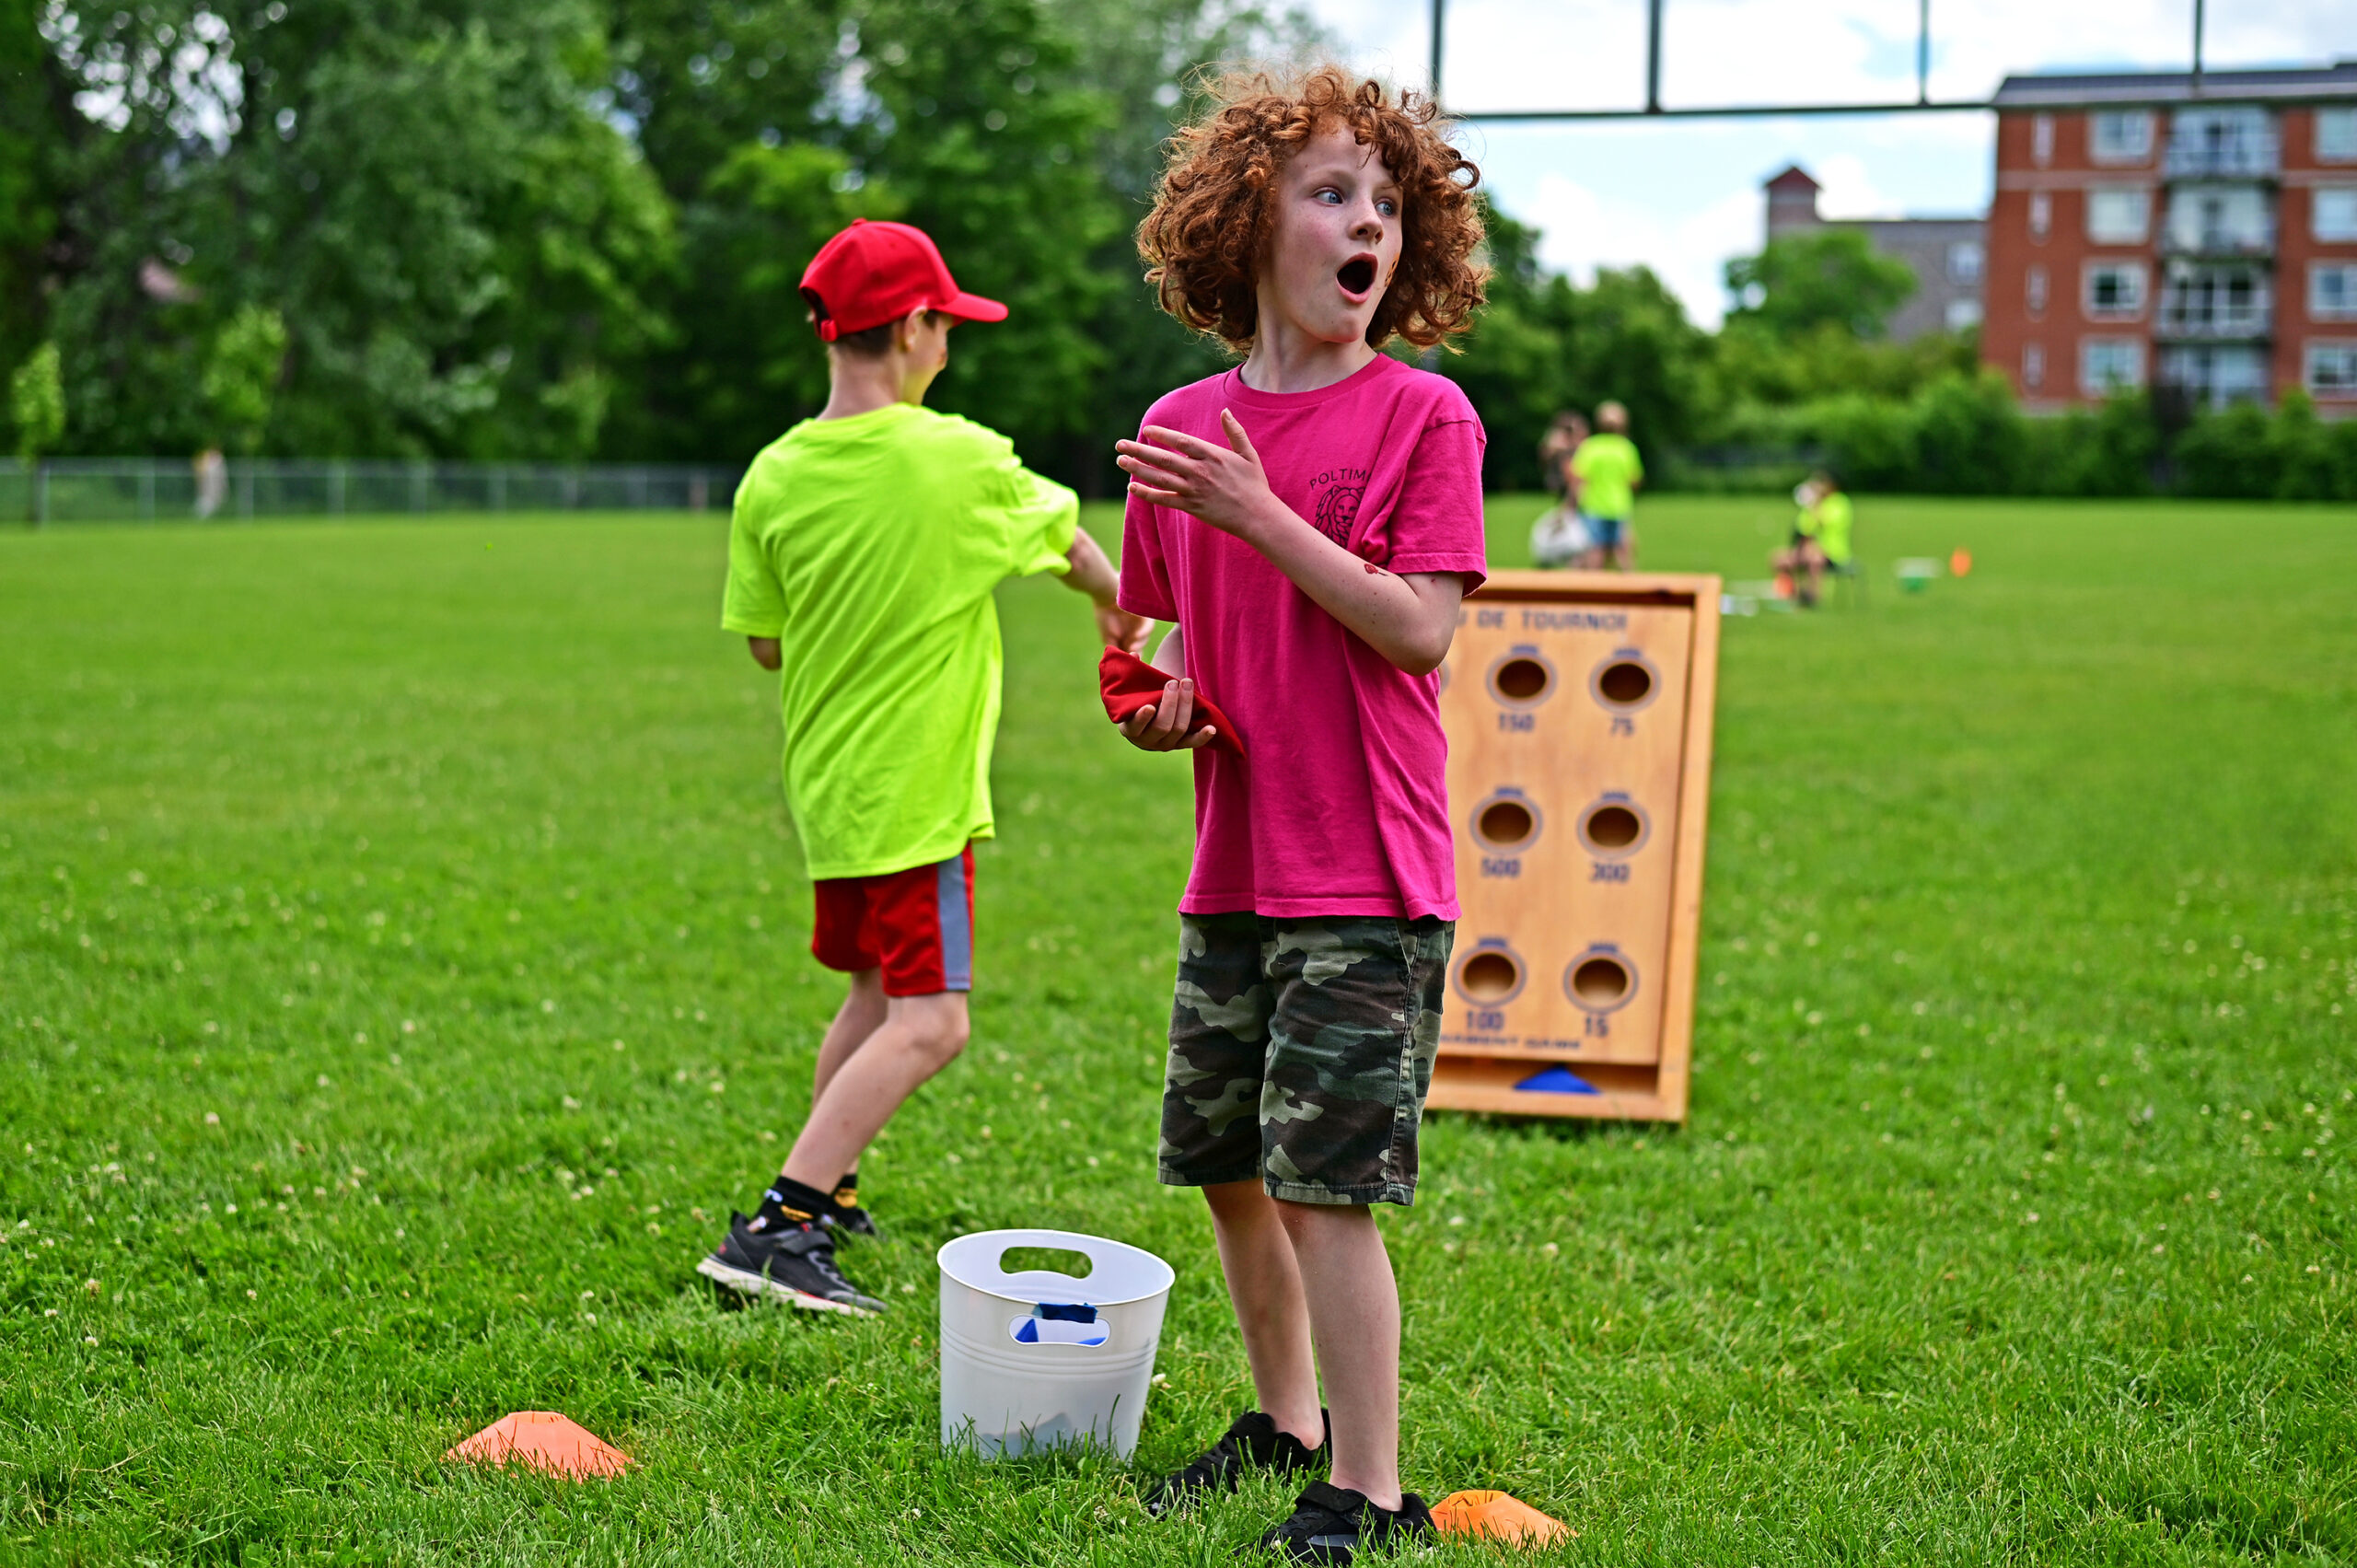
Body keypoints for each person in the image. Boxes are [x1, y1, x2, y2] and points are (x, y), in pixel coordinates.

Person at [1111, 64, 1490, 1564]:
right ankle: (1283, 1420)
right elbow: (1155, 647)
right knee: (1226, 1157)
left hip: (1370, 876)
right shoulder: (1183, 429)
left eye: (1389, 206)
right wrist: (1156, 707)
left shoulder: (1424, 419)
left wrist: (1264, 513)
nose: (1368, 227)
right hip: (1236, 868)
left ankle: (1371, 1489)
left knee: (1331, 1185)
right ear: (1247, 219)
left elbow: (1416, 629)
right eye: (1335, 195)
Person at [700, 218, 1150, 1314]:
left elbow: (765, 643)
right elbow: (1074, 545)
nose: (948, 347)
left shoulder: (771, 475)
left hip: (830, 791)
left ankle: (834, 1187)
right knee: (933, 1020)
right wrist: (1112, 611)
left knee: (871, 991)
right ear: (909, 328)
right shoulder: (958, 458)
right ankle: (782, 1223)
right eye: (945, 326)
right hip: (916, 794)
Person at [1566, 401, 1642, 569]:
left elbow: (1578, 478)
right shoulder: (1626, 448)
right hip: (1619, 505)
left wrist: (1571, 505)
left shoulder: (1591, 447)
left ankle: (1594, 589)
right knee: (1623, 552)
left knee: (1595, 550)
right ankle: (1632, 589)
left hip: (1594, 505)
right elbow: (1634, 480)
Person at [1771, 469, 1852, 608]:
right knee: (1779, 559)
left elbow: (1824, 522)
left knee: (1814, 558)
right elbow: (1802, 529)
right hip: (1807, 550)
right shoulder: (1812, 505)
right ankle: (1794, 595)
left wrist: (1814, 505)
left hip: (1833, 554)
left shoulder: (1840, 503)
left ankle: (1812, 597)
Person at [1529, 412, 1592, 568]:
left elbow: (1575, 484)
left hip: (1579, 507)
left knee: (1579, 548)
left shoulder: (1580, 453)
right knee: (1579, 550)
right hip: (1576, 507)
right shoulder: (1568, 454)